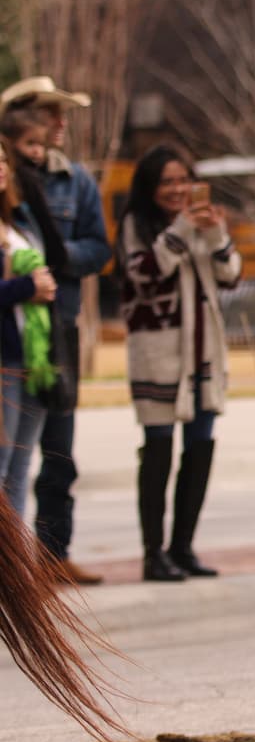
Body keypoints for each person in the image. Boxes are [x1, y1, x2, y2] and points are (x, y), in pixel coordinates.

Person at [0, 76, 111, 586]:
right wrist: (27, 283)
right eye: (51, 113)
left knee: (56, 453)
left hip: (54, 331)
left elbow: (98, 248)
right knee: (11, 460)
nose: (60, 124)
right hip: (14, 337)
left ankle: (49, 555)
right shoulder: (14, 188)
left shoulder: (74, 180)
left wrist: (60, 262)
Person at [115, 145, 242, 582]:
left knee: (200, 445)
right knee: (158, 447)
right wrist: (183, 227)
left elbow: (230, 275)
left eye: (183, 179)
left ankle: (183, 547)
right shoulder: (136, 224)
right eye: (167, 181)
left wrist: (216, 233)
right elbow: (143, 274)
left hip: (204, 354)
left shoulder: (202, 224)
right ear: (151, 187)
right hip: (160, 356)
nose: (177, 189)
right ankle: (154, 554)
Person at [0, 137, 66, 525]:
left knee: (19, 470)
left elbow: (54, 256)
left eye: (3, 158)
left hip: (33, 354)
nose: (2, 166)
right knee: (2, 467)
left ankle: (17, 577)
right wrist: (29, 287)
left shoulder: (18, 219)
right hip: (4, 359)